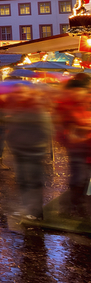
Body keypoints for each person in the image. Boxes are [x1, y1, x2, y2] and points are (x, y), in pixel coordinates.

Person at [1, 88, 54, 220]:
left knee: (33, 183)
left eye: (21, 93)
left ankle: (35, 213)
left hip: (33, 153)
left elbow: (46, 131)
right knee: (22, 181)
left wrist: (36, 147)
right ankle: (27, 209)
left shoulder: (37, 110)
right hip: (19, 152)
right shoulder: (17, 109)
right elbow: (12, 129)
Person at [54, 73, 91, 213]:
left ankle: (78, 203)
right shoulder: (65, 104)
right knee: (79, 176)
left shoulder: (87, 101)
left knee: (86, 176)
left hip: (87, 145)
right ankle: (75, 204)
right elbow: (61, 126)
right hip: (76, 146)